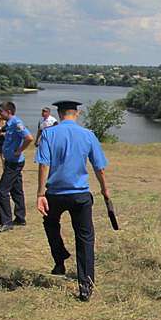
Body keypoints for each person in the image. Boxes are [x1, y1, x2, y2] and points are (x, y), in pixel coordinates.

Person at [35, 100, 110, 302]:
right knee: (85, 237)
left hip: (55, 193)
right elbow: (99, 166)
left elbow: (43, 165)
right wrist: (104, 188)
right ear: (76, 114)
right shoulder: (88, 135)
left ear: (59, 114)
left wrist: (40, 194)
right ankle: (86, 285)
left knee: (50, 224)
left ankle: (59, 259)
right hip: (80, 194)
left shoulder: (49, 134)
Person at [0, 101, 33, 232]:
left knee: (1, 190)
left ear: (9, 112)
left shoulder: (16, 123)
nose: (0, 114)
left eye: (1, 111)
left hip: (14, 163)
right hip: (11, 161)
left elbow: (29, 138)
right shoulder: (10, 124)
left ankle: (6, 221)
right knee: (16, 190)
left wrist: (19, 150)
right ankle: (20, 218)